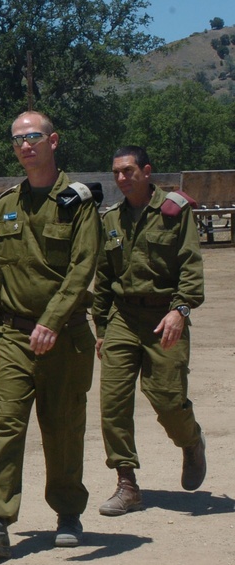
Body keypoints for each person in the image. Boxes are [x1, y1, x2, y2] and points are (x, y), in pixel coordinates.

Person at [0, 112, 99, 558]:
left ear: (53, 141)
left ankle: (68, 512)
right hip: (17, 337)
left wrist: (52, 321)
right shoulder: (6, 204)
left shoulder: (78, 203)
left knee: (62, 427)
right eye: (18, 139)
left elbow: (82, 268)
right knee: (7, 423)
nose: (26, 145)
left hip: (66, 336)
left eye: (34, 136)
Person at [92, 145, 207, 517]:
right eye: (117, 173)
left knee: (168, 399)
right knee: (113, 403)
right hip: (123, 318)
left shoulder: (175, 211)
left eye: (128, 171)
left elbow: (190, 266)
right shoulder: (110, 219)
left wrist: (181, 310)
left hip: (164, 316)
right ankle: (127, 484)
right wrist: (102, 327)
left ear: (146, 171)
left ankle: (190, 441)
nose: (122, 178)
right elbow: (105, 277)